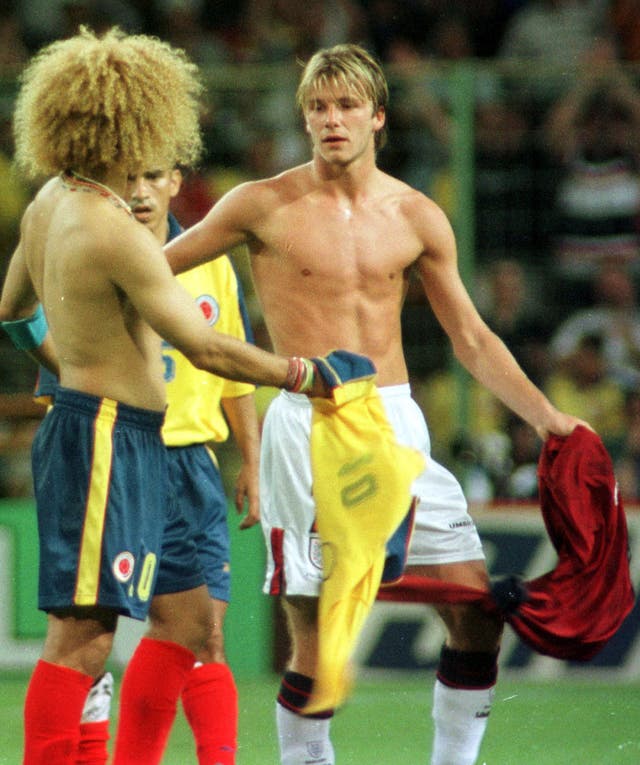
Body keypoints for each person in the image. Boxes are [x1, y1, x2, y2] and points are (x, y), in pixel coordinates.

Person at [164, 43, 590, 765]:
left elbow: (472, 337)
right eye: (319, 107)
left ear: (378, 117)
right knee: (320, 641)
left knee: (474, 611)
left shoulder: (418, 215)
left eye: (346, 105)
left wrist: (548, 417)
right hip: (308, 425)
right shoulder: (259, 204)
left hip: (396, 423)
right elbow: (154, 271)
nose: (332, 119)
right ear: (304, 119)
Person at [0, 27, 327, 765]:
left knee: (184, 621)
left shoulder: (49, 201)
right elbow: (204, 346)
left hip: (118, 433)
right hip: (108, 436)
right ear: (130, 122)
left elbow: (13, 312)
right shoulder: (113, 229)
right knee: (83, 641)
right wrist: (301, 373)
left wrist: (59, 363)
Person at [75, 164, 261, 765]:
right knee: (91, 639)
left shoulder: (212, 263)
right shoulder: (95, 255)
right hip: (120, 458)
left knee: (204, 634)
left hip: (192, 470)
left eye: (153, 175)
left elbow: (235, 375)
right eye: (127, 176)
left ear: (177, 181)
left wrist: (253, 461)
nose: (140, 190)